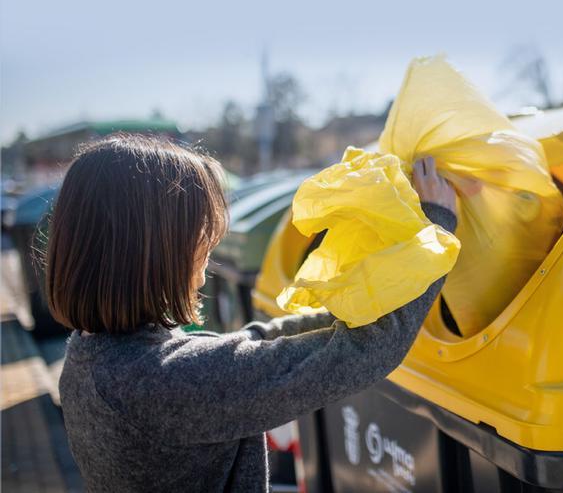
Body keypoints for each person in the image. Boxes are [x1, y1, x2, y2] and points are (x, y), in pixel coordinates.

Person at [48, 134, 457, 492]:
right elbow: (367, 352)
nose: (206, 261)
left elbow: (252, 346)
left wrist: (345, 310)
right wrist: (438, 225)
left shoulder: (91, 357)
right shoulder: (167, 385)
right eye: (201, 239)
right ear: (154, 252)